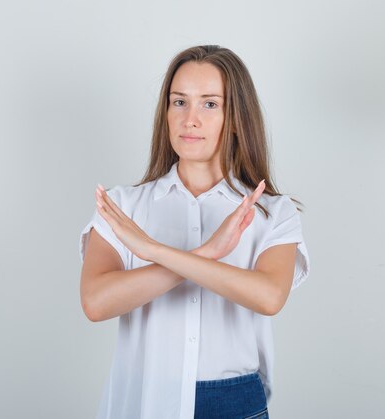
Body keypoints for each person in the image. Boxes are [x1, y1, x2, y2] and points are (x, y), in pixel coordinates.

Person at [78, 45, 311, 419]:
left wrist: (154, 249)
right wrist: (205, 255)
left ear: (235, 117)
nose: (190, 119)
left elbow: (268, 296)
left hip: (233, 402)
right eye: (179, 102)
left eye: (209, 104)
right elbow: (96, 302)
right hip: (145, 395)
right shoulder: (123, 207)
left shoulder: (272, 212)